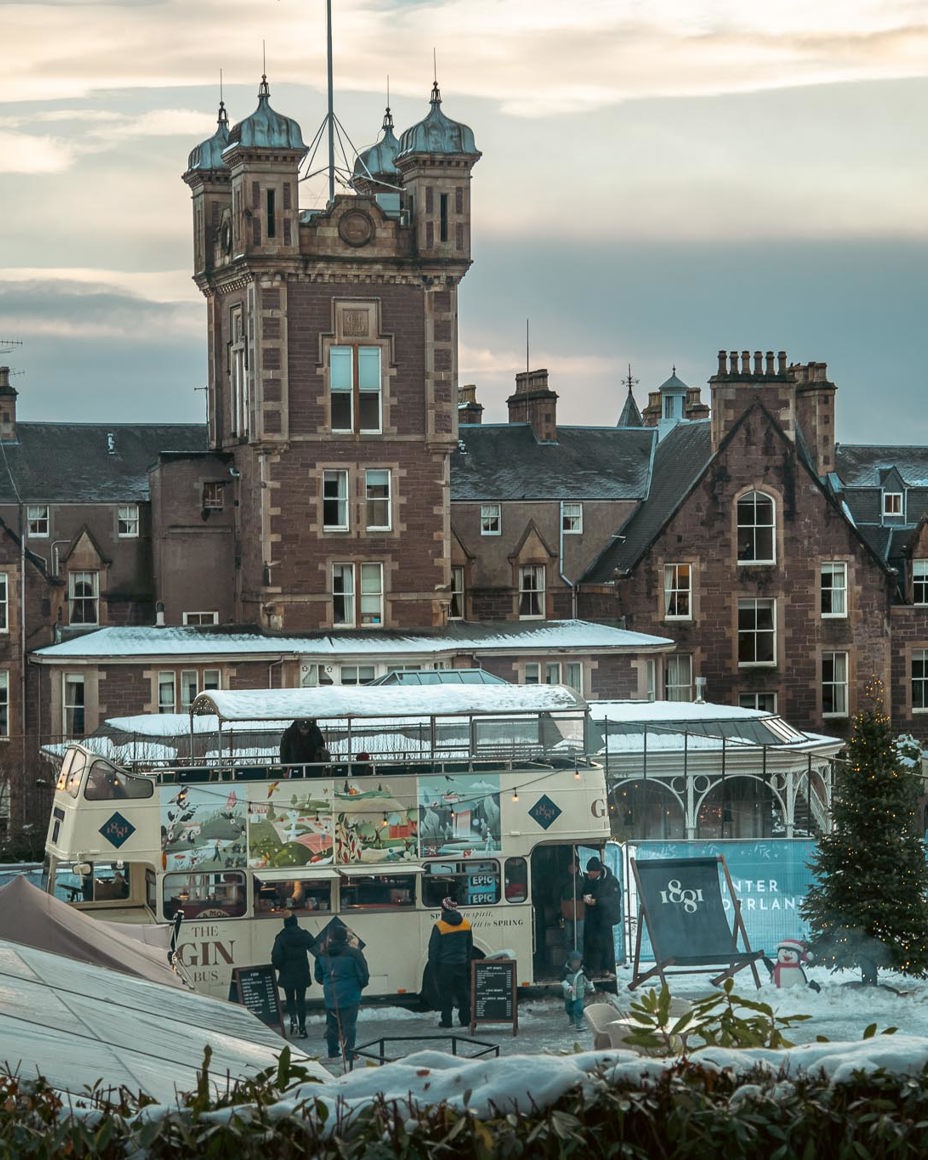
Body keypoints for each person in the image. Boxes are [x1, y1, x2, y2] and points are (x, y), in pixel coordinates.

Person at [314, 924, 370, 1062]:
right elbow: (364, 976)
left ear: (331, 938)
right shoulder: (355, 953)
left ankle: (333, 1052)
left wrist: (329, 984)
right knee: (349, 1026)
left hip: (331, 995)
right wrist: (358, 987)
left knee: (332, 1026)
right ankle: (349, 1053)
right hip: (350, 995)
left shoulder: (322, 954)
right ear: (346, 938)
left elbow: (318, 977)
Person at [427, 895, 473, 1029]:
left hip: (445, 966)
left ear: (444, 909)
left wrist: (433, 966)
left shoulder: (439, 926)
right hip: (461, 964)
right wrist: (466, 960)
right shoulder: (466, 924)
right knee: (463, 993)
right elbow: (469, 946)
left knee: (445, 994)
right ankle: (465, 1019)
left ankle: (447, 1021)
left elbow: (433, 949)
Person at [271, 913, 316, 1038]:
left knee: (290, 999)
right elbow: (313, 942)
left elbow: (276, 956)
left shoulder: (281, 937)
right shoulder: (303, 934)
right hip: (302, 971)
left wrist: (278, 966)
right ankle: (302, 1028)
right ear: (296, 922)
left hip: (287, 972)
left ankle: (293, 1020)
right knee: (301, 1000)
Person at [583, 855, 622, 979]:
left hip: (605, 918)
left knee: (605, 944)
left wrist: (597, 901)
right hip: (591, 917)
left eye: (591, 871)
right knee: (592, 943)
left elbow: (614, 899)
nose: (589, 874)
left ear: (598, 871)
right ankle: (593, 968)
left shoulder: (611, 881)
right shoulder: (588, 880)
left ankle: (606, 968)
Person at [561, 949, 593, 1030]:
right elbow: (562, 980)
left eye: (578, 961)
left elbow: (588, 979)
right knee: (568, 1008)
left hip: (579, 994)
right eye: (574, 962)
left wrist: (591, 988)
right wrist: (568, 987)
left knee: (579, 1008)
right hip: (569, 994)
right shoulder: (566, 970)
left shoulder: (583, 970)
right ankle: (572, 1019)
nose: (576, 964)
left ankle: (579, 1024)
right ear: (570, 962)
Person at [559, 858, 587, 952]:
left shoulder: (583, 880)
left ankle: (579, 958)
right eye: (570, 866)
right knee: (568, 936)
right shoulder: (562, 880)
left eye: (574, 866)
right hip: (567, 911)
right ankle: (569, 957)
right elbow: (557, 894)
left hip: (580, 911)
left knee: (579, 936)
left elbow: (586, 893)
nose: (572, 868)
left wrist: (578, 898)